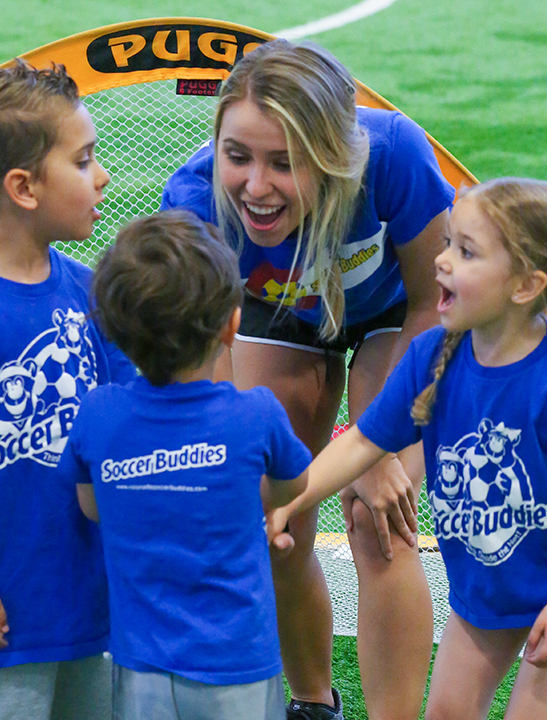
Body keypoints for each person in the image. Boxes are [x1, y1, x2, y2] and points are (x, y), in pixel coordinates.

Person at [267, 178, 547, 720]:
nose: (440, 261)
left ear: (525, 285)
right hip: (485, 587)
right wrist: (295, 499)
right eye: (447, 243)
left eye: (465, 252)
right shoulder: (432, 357)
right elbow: (366, 441)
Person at [161, 39, 455, 720]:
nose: (255, 187)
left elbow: (431, 302)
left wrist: (374, 445)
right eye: (238, 156)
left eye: (284, 163)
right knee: (274, 513)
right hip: (273, 314)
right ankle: (314, 705)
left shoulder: (395, 155)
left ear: (334, 156)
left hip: (394, 316)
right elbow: (206, 366)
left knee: (379, 509)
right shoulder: (193, 205)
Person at [57, 210, 311, 720]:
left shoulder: (97, 415)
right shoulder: (256, 413)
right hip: (237, 662)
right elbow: (294, 485)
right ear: (232, 324)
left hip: (140, 664)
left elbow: (92, 506)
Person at [0, 60, 136, 719]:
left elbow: (128, 435)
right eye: (83, 161)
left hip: (90, 609)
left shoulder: (92, 293)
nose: (102, 175)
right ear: (23, 187)